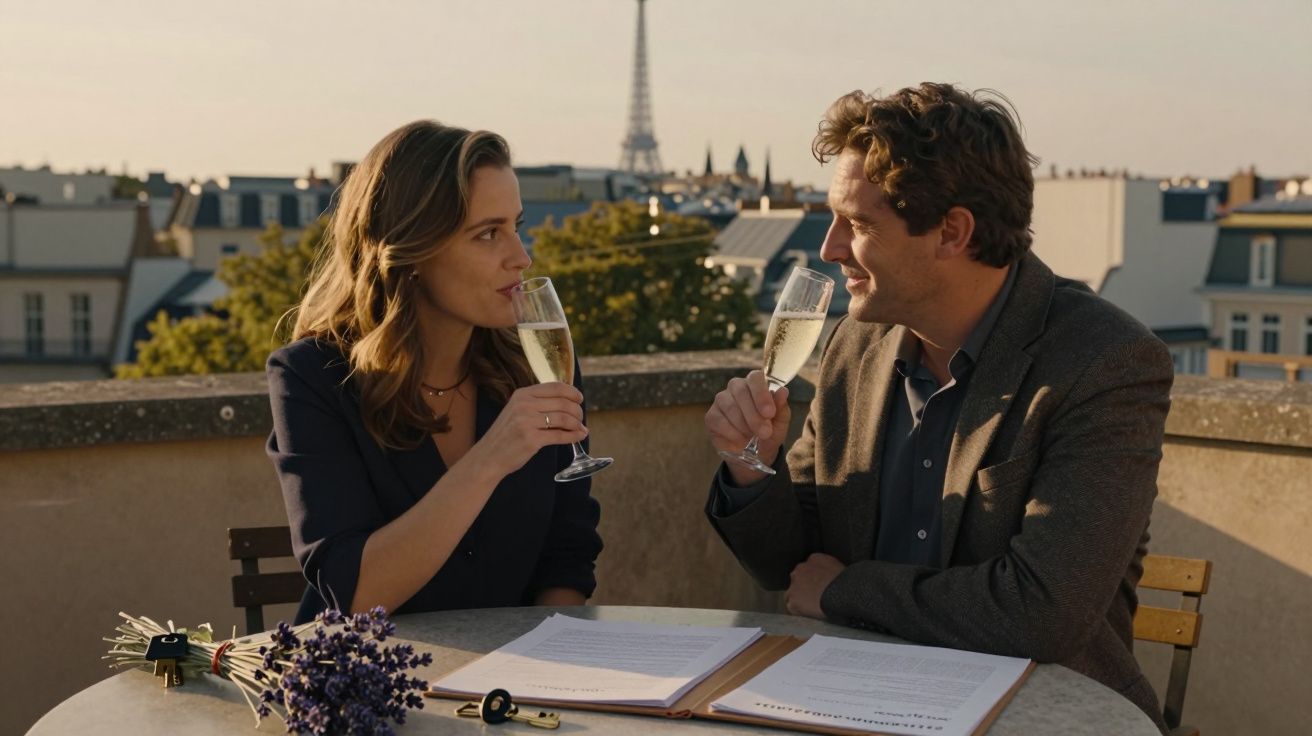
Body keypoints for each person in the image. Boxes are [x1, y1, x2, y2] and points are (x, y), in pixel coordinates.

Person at [703, 83, 1172, 730]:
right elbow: (795, 564)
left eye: (860, 224)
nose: (829, 248)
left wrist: (845, 591)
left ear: (952, 232)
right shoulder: (854, 346)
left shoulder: (1104, 361)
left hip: (1040, 714)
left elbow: (1040, 613)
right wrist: (750, 465)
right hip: (853, 701)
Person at [266, 121, 603, 624]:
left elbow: (566, 560)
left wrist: (551, 666)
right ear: (414, 251)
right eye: (489, 234)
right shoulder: (313, 377)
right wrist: (489, 460)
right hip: (367, 684)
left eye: (517, 226)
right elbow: (353, 591)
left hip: (510, 689)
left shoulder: (537, 369)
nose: (521, 257)